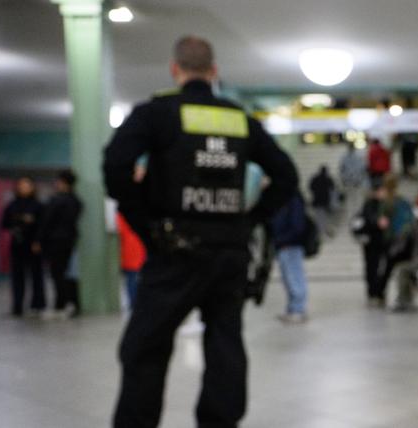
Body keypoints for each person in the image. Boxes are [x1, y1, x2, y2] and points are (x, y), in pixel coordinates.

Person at [103, 36, 297, 428]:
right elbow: (286, 176)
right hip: (228, 252)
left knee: (145, 348)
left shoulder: (158, 113)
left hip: (174, 250)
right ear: (214, 73)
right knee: (225, 342)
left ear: (175, 70)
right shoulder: (240, 119)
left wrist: (147, 223)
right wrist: (250, 218)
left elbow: (115, 165)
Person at [352, 174, 412, 306]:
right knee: (372, 268)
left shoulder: (390, 203)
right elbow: (367, 218)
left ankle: (379, 291)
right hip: (372, 242)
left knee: (385, 267)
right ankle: (374, 293)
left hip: (385, 241)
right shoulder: (370, 204)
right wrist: (377, 222)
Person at [33, 170, 83, 318]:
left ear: (63, 182)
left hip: (56, 242)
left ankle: (60, 305)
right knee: (67, 274)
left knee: (58, 274)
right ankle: (71, 303)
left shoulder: (57, 201)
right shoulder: (76, 201)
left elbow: (46, 223)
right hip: (69, 241)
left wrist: (38, 240)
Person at [0, 177, 45, 318]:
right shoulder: (12, 205)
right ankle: (18, 306)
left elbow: (42, 225)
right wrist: (16, 223)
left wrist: (38, 241)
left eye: (27, 185)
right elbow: (4, 223)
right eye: (22, 185)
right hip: (18, 244)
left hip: (33, 245)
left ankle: (38, 304)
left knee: (36, 276)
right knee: (18, 277)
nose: (24, 188)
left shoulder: (37, 205)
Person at [271, 192, 309, 324]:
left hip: (291, 244)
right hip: (282, 245)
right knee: (288, 278)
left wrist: (284, 239)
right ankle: (292, 308)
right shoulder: (282, 199)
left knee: (295, 277)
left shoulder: (293, 199)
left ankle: (298, 309)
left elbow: (297, 224)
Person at [117, 212, 146, 309]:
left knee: (131, 279)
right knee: (136, 279)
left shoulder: (121, 215)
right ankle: (138, 303)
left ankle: (134, 303)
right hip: (139, 249)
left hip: (129, 251)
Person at [308, 165, 335, 236]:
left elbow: (310, 187)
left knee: (318, 217)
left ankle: (320, 232)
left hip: (317, 201)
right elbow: (333, 189)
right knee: (326, 218)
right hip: (325, 202)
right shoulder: (328, 179)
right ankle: (326, 232)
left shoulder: (315, 179)